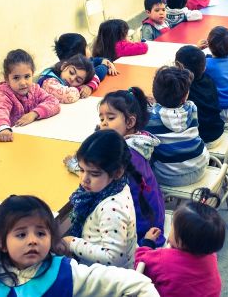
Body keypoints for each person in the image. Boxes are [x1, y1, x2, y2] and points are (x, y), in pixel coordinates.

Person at [0, 195, 159, 297]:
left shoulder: (65, 273)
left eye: (41, 233)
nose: (33, 240)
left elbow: (134, 282)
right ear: (1, 242)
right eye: (21, 234)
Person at [65, 88, 166, 247]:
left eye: (110, 118)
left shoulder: (124, 155)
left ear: (130, 122)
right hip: (153, 219)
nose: (103, 123)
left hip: (140, 235)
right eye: (101, 118)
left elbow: (98, 173)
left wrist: (74, 165)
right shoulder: (139, 141)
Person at [63, 130, 138, 268]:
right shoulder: (117, 185)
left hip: (106, 281)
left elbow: (114, 259)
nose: (84, 179)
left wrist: (73, 243)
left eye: (94, 174)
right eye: (81, 169)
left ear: (117, 172)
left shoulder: (112, 209)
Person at [135, 191, 226, 297]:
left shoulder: (163, 259)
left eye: (173, 226)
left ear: (181, 240)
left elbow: (140, 262)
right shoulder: (211, 255)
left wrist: (148, 243)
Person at [146, 66, 210, 186]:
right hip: (200, 167)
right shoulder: (192, 109)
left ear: (154, 93)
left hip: (169, 176)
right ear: (185, 96)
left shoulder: (149, 119)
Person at [0, 49, 60, 142]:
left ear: (32, 74)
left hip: (32, 137)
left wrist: (34, 114)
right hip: (9, 139)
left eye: (27, 76)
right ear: (7, 79)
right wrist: (3, 128)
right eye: (16, 78)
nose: (23, 83)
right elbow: (0, 110)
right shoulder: (4, 93)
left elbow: (54, 102)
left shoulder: (34, 89)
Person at [175, 45, 228, 152]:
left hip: (203, 141)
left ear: (178, 67)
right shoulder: (208, 79)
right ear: (204, 67)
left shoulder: (184, 91)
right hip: (218, 131)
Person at [205, 26, 228, 125]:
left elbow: (196, 62)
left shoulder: (206, 64)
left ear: (208, 44)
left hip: (220, 111)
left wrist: (197, 48)